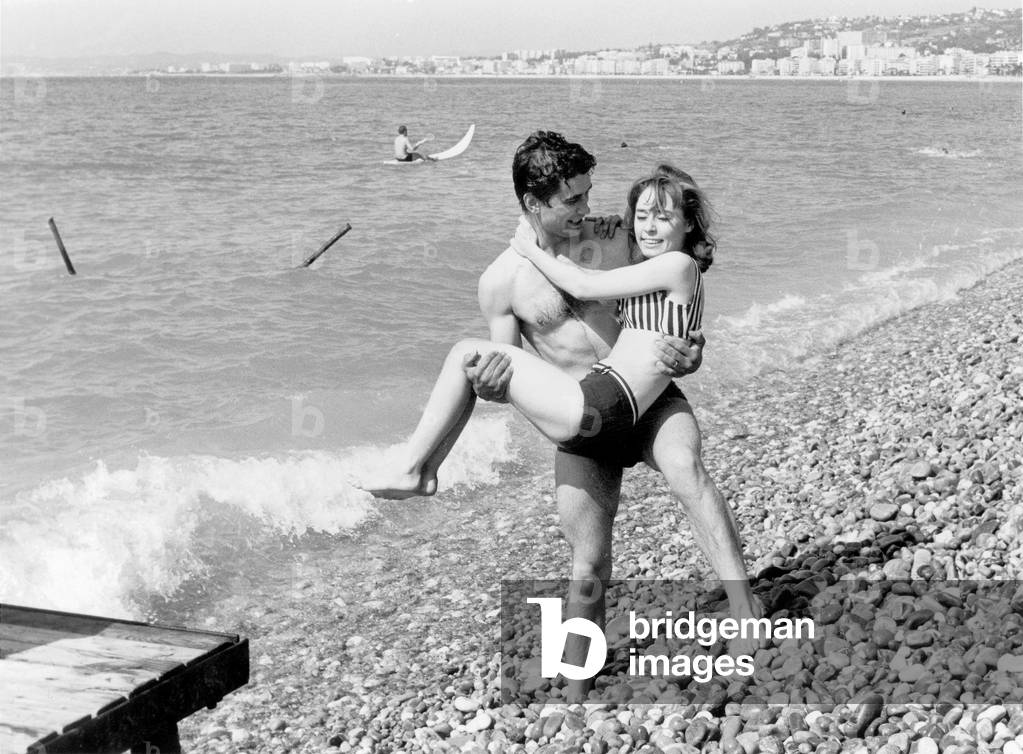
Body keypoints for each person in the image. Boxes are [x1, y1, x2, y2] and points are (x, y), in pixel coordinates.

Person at [369, 132, 758, 700]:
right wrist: (492, 384)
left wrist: (693, 351)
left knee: (687, 471)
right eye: (572, 201)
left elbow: (677, 296)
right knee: (588, 558)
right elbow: (513, 378)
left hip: (649, 403)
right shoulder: (500, 280)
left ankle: (746, 606)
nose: (586, 210)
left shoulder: (613, 236)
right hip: (585, 418)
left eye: (587, 195)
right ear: (533, 203)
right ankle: (579, 684)